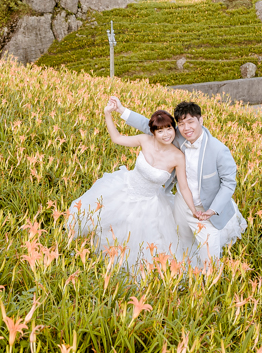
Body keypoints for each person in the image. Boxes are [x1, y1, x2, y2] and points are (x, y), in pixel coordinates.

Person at [67, 101, 202, 273]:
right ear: (153, 132)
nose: (166, 134)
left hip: (149, 204)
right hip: (123, 188)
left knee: (140, 243)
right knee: (104, 225)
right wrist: (108, 113)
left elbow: (183, 187)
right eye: (160, 131)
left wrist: (193, 210)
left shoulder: (178, 157)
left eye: (169, 129)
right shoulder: (144, 140)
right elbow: (116, 138)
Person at [108, 96, 246, 263]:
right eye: (181, 124)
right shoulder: (176, 136)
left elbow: (229, 184)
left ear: (200, 120)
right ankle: (187, 270)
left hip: (206, 208)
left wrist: (212, 210)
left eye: (190, 122)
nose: (186, 128)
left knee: (210, 252)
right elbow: (149, 125)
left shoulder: (219, 150)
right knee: (181, 239)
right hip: (182, 201)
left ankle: (208, 283)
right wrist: (121, 109)